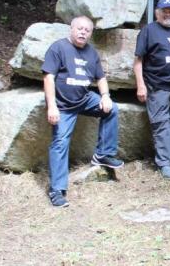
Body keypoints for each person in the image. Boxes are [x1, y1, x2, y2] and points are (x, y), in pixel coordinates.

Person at [42, 16, 124, 208]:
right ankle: (57, 190)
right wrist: (52, 105)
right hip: (63, 105)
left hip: (84, 99)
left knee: (112, 109)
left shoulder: (91, 53)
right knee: (60, 143)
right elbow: (48, 77)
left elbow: (101, 78)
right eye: (79, 28)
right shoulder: (58, 48)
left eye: (87, 30)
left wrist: (105, 96)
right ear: (71, 29)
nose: (83, 32)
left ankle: (103, 153)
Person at [134, 0, 170, 180]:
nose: (168, 13)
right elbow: (138, 61)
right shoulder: (148, 31)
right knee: (161, 124)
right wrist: (141, 85)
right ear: (157, 12)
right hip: (158, 87)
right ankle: (164, 163)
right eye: (164, 10)